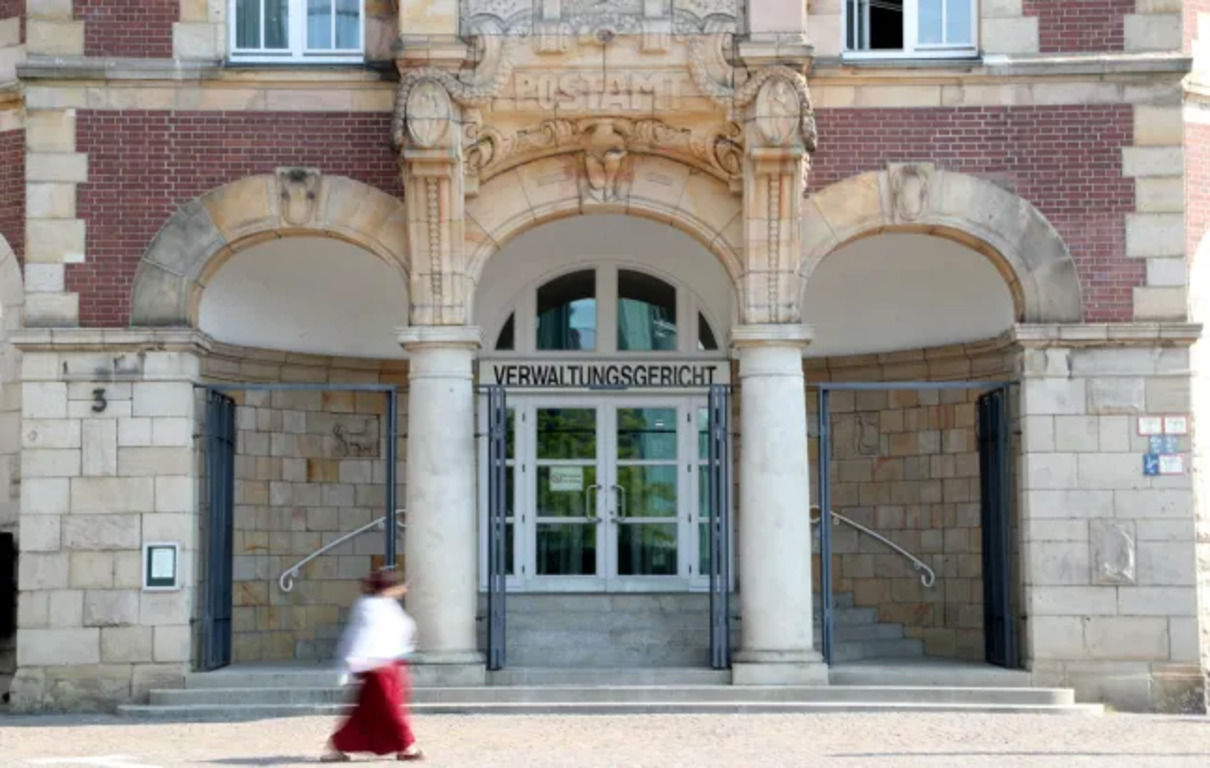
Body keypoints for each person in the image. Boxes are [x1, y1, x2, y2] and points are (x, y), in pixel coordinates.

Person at [322, 568, 423, 762]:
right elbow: (362, 637)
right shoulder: (370, 607)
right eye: (401, 585)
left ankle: (337, 745)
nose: (404, 589)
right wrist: (355, 664)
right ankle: (407, 747)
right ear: (390, 587)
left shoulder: (387, 605)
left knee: (368, 711)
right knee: (391, 709)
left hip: (390, 666)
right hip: (378, 668)